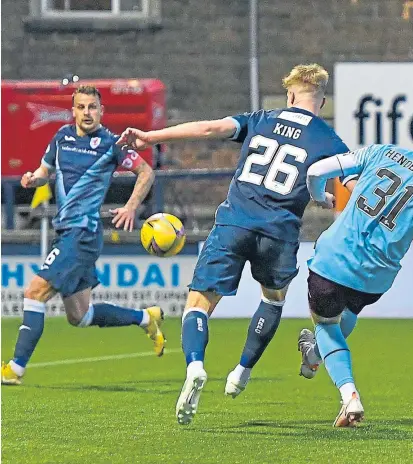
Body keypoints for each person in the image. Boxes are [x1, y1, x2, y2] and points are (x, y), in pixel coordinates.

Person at [117, 64, 357, 425]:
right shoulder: (329, 140)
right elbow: (355, 186)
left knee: (197, 304)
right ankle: (241, 372)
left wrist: (151, 137)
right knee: (272, 300)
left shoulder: (259, 119)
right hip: (279, 233)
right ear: (320, 102)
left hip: (234, 222)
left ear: (290, 95)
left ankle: (196, 365)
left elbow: (209, 128)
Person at [298, 109, 413, 427]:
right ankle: (315, 354)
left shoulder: (382, 152)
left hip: (334, 261)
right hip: (374, 280)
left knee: (326, 325)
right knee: (346, 315)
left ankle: (349, 396)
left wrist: (320, 196)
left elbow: (317, 169)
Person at [2, 85, 165, 386]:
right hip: (65, 231)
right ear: (73, 110)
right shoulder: (61, 138)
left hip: (83, 234)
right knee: (80, 315)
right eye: (81, 107)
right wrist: (32, 178)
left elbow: (146, 172)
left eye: (93, 107)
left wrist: (131, 207)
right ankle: (146, 318)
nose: (87, 113)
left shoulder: (112, 144)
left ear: (101, 111)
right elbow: (44, 171)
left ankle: (15, 369)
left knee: (34, 293)